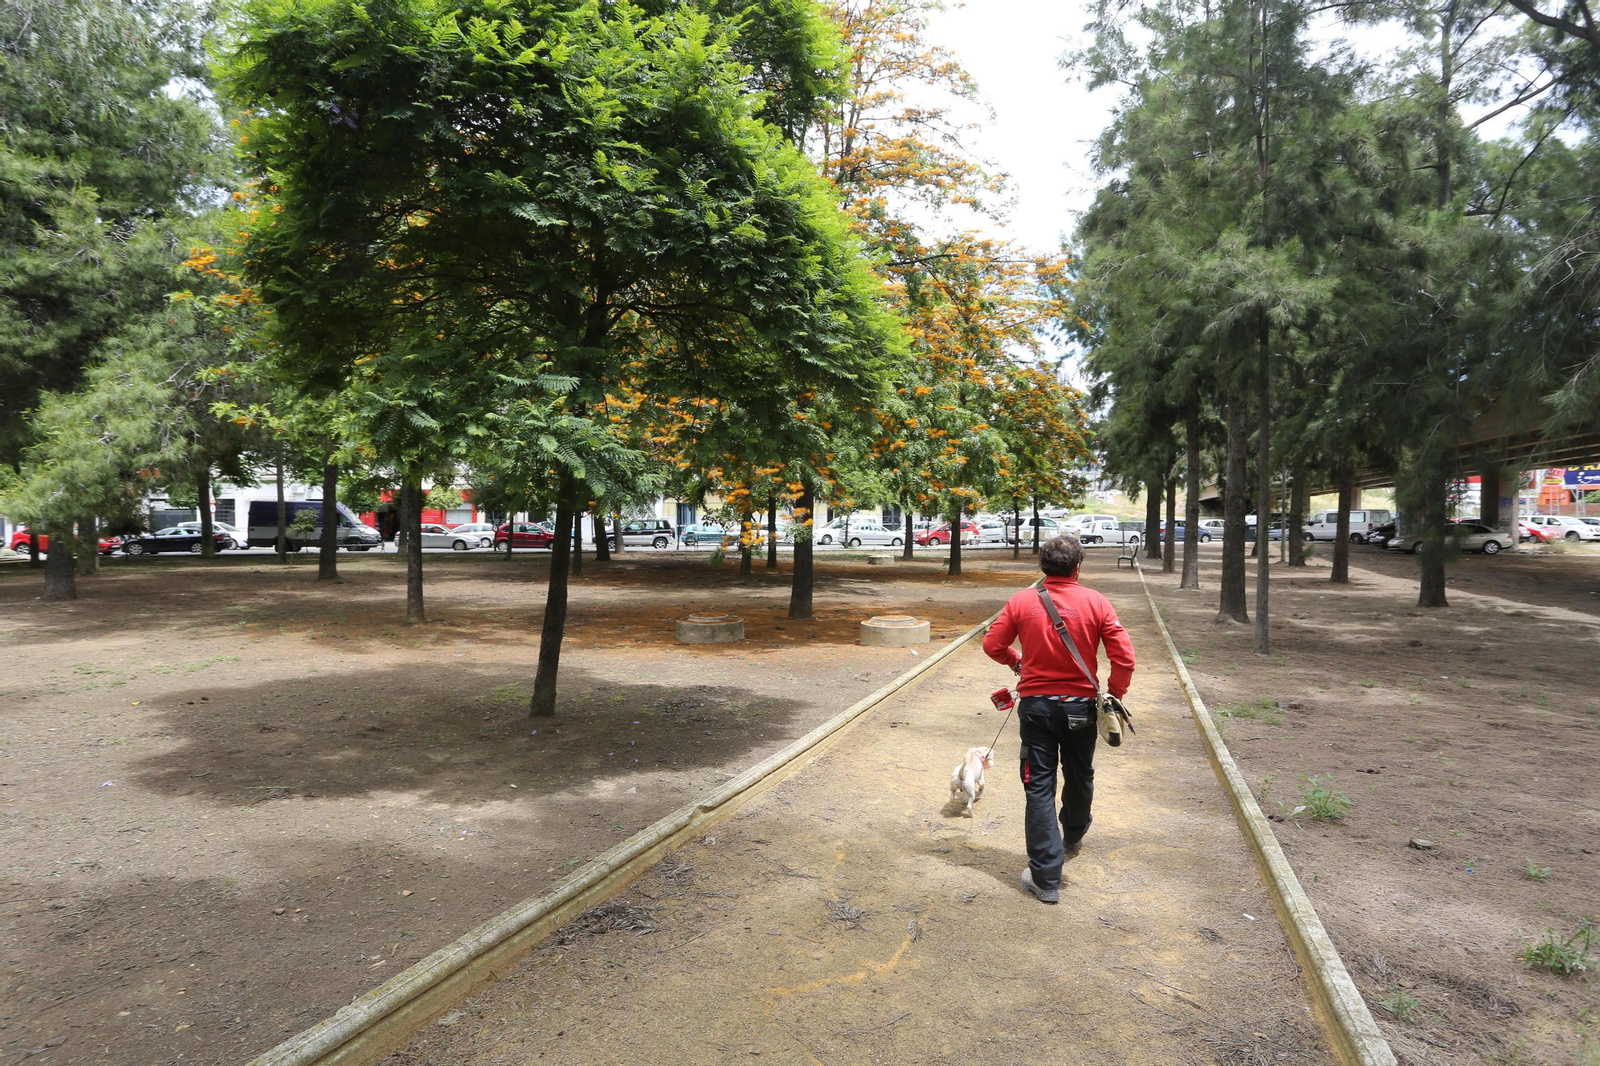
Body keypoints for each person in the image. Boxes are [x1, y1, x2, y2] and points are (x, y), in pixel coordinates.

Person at [982, 535, 1135, 904]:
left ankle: (1046, 878)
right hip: (1081, 707)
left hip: (1037, 709)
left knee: (1038, 786)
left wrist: (1016, 662)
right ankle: (1075, 832)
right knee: (1080, 772)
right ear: (1078, 567)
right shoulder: (1096, 602)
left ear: (1043, 567)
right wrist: (1115, 692)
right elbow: (1124, 657)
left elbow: (992, 645)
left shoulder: (1021, 601)